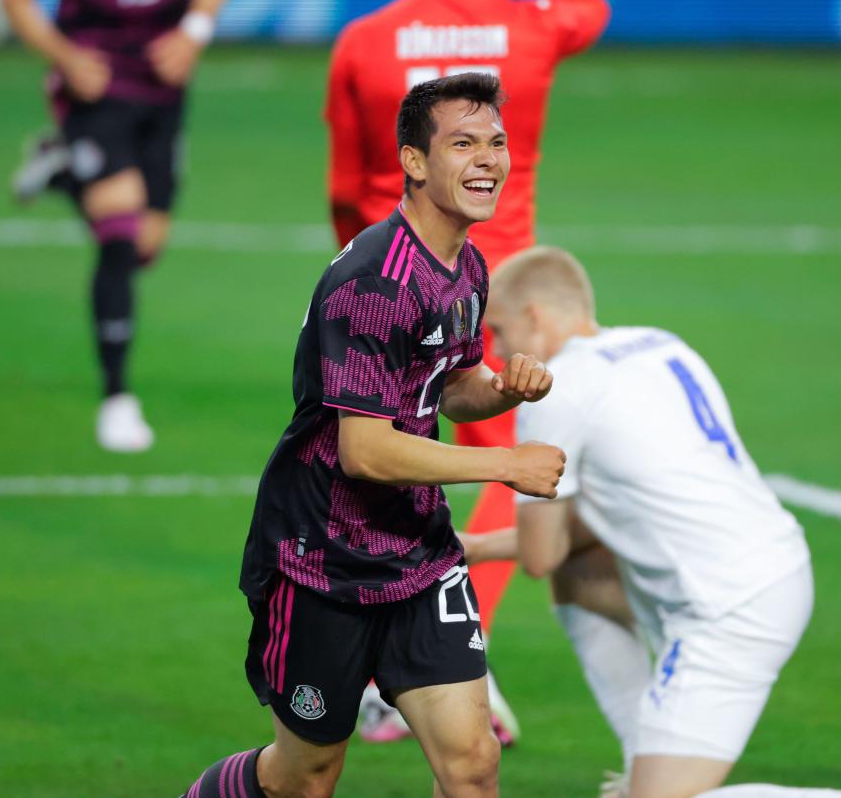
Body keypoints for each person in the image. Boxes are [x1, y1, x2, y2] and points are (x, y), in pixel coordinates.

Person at [182, 74, 566, 798]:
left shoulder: (466, 264)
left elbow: (441, 389)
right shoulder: (375, 284)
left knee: (473, 764)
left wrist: (498, 388)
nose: (488, 160)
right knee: (305, 777)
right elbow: (366, 449)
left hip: (418, 552)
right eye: (463, 144)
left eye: (496, 143)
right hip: (323, 559)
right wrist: (504, 465)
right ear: (415, 163)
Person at [461, 246, 841, 798]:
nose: (499, 353)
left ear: (535, 315)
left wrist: (476, 541)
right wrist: (482, 549)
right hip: (773, 563)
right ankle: (643, 760)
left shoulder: (556, 388)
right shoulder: (657, 344)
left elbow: (539, 554)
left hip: (726, 608)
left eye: (500, 332)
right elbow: (588, 532)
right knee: (581, 575)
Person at [325, 0, 610, 739]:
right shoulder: (531, 27)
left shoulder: (366, 39)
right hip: (491, 286)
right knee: (513, 469)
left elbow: (345, 187)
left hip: (383, 276)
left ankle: (398, 661)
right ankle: (440, 660)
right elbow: (590, 5)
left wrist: (369, 282)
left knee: (378, 470)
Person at [2, 0, 242, 451]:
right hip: (95, 89)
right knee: (118, 234)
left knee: (145, 248)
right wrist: (64, 57)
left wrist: (194, 32)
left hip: (164, 91)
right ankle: (116, 398)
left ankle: (64, 169)